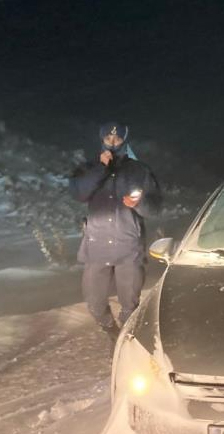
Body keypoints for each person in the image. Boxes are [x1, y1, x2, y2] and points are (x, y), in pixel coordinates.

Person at [70, 123, 161, 339]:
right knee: (94, 301)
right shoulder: (88, 168)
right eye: (108, 139)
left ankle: (124, 340)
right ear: (100, 140)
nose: (112, 143)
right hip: (97, 245)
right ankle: (111, 330)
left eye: (117, 139)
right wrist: (102, 169)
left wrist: (138, 204)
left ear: (125, 141)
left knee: (130, 303)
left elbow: (154, 207)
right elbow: (79, 193)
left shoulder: (139, 170)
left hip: (128, 246)